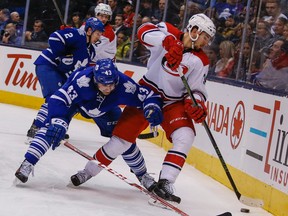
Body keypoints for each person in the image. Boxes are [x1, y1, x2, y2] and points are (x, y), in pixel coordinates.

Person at [71, 13, 215, 204]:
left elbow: (197, 88)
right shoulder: (169, 31)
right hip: (147, 93)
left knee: (186, 135)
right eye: (205, 37)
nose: (206, 42)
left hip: (173, 103)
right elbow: (143, 31)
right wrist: (168, 42)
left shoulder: (201, 60)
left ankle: (166, 181)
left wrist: (195, 102)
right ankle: (88, 171)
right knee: (120, 141)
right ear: (195, 31)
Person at [15, 59, 162, 192]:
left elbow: (148, 95)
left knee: (124, 139)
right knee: (52, 130)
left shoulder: (123, 85)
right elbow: (58, 98)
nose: (108, 88)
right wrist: (58, 120)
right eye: (104, 84)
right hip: (76, 104)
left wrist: (152, 106)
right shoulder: (82, 81)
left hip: (106, 109)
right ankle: (28, 163)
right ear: (95, 79)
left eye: (112, 84)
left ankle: (143, 175)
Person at [25, 17, 105, 143]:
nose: (99, 37)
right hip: (49, 65)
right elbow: (54, 38)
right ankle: (36, 128)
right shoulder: (77, 34)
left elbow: (79, 71)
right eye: (98, 33)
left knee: (65, 100)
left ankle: (54, 127)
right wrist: (63, 54)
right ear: (89, 30)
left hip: (61, 73)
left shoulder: (91, 51)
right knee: (53, 98)